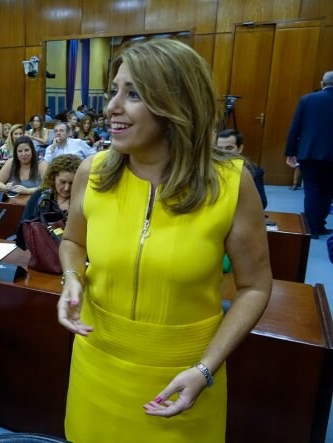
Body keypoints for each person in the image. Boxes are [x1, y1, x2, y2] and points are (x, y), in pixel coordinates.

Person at [57, 39, 271, 441]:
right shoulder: (94, 171)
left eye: (133, 94)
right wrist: (72, 276)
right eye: (113, 91)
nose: (111, 107)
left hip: (183, 378)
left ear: (177, 104)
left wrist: (205, 369)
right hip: (96, 363)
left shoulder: (231, 184)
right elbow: (72, 242)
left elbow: (256, 287)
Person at [285, 71, 333, 239]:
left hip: (309, 153)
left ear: (322, 83)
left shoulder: (307, 99)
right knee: (328, 191)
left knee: (311, 189)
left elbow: (295, 127)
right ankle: (320, 225)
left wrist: (290, 151)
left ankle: (311, 228)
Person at [216, 129, 267, 209]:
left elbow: (262, 203)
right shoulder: (210, 169)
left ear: (240, 148)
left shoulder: (253, 171)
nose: (224, 152)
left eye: (229, 148)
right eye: (219, 148)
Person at [20, 154, 81, 221]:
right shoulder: (39, 195)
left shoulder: (81, 202)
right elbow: (24, 224)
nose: (67, 188)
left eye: (71, 183)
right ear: (53, 177)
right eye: (62, 182)